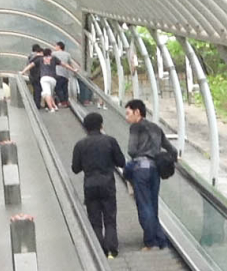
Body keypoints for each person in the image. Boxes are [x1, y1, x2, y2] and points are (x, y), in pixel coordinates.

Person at [71, 110, 126, 257]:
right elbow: (121, 162)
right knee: (110, 217)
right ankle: (111, 248)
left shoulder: (80, 145)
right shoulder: (110, 141)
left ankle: (98, 249)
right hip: (107, 184)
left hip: (89, 185)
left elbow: (75, 168)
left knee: (94, 219)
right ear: (101, 125)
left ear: (85, 127)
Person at [124, 98, 172, 250]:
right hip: (155, 169)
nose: (126, 117)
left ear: (137, 112)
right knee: (153, 205)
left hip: (141, 169)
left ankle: (150, 242)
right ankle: (161, 240)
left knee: (144, 206)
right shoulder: (156, 128)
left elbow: (131, 150)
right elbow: (171, 149)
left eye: (128, 113)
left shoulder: (135, 127)